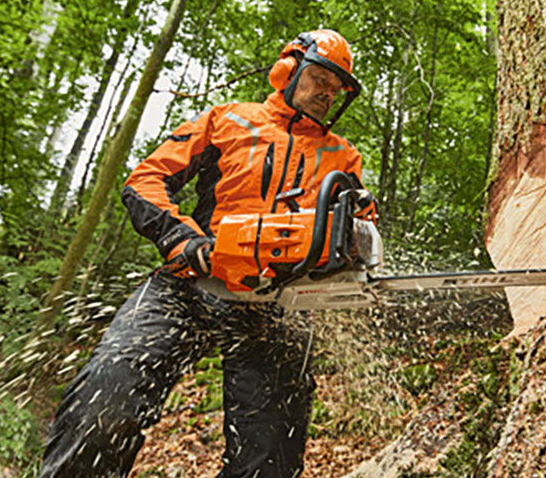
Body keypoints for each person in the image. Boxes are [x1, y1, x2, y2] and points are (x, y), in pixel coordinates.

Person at [39, 29, 364, 478]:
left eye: (335, 89)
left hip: (279, 307)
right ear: (286, 72)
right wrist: (183, 240)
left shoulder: (342, 156)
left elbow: (355, 226)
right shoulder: (229, 120)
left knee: (270, 459)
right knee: (105, 402)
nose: (326, 94)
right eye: (318, 80)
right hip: (188, 285)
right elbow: (145, 180)